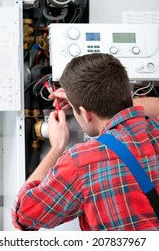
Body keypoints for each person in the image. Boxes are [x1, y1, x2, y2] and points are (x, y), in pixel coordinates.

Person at [12, 53, 159, 231]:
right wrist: (94, 100)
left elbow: (25, 216)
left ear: (85, 113)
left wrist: (58, 146)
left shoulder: (81, 162)